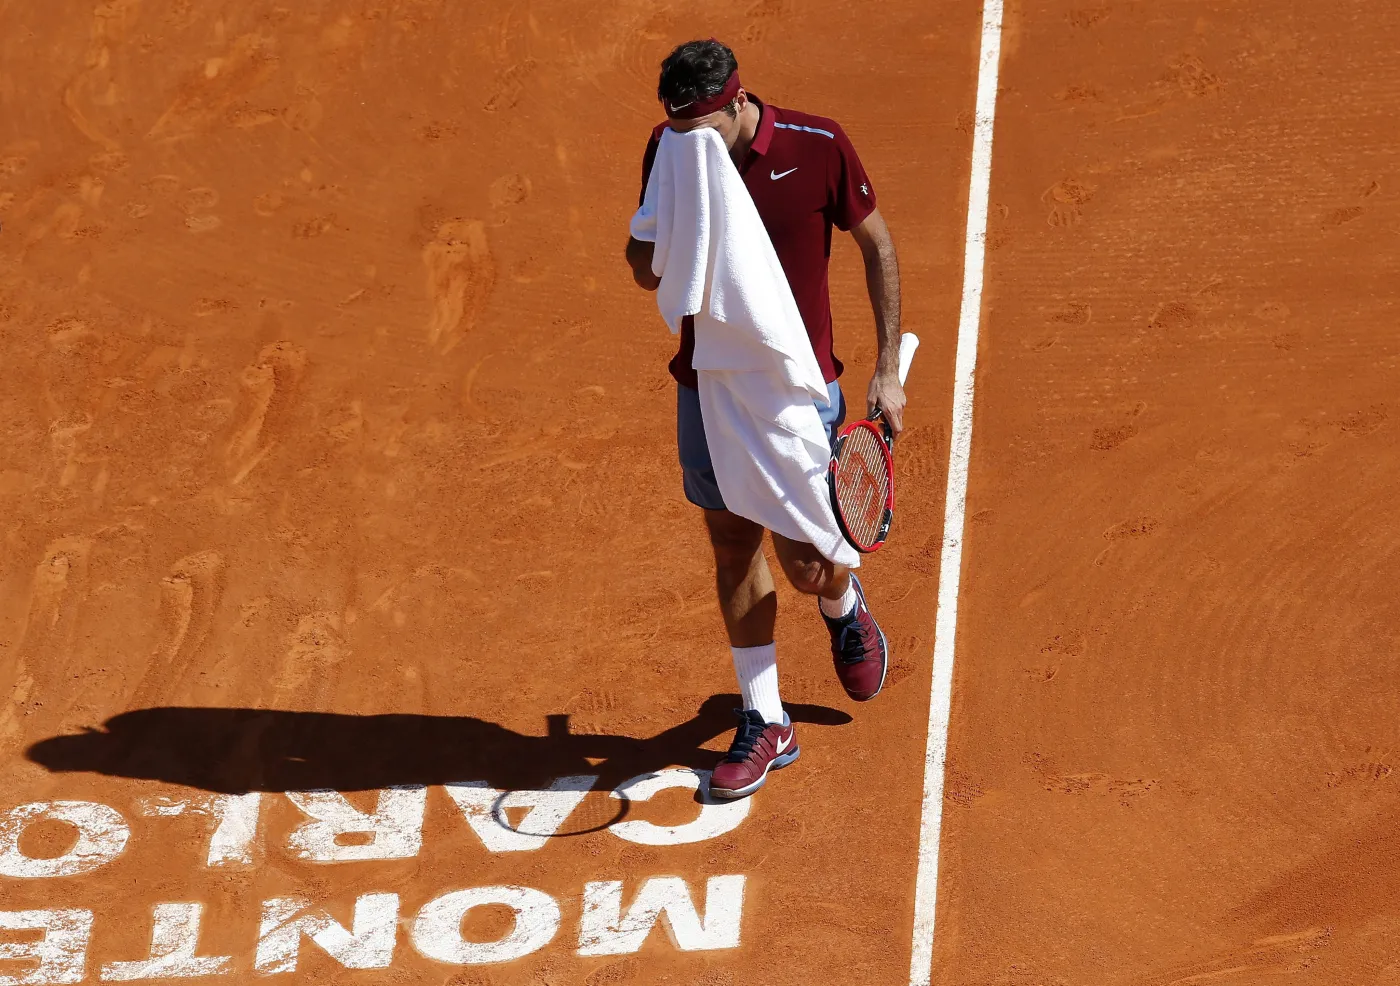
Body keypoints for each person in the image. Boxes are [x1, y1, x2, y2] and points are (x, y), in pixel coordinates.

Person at [625, 39, 905, 800]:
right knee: (730, 544)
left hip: (798, 391)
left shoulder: (818, 145)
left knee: (808, 560)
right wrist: (663, 241)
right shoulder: (672, 148)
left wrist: (885, 368)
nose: (689, 144)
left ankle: (842, 606)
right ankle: (765, 717)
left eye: (701, 131)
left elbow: (876, 247)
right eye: (678, 131)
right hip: (707, 384)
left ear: (737, 103)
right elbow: (643, 260)